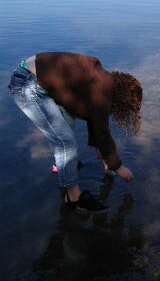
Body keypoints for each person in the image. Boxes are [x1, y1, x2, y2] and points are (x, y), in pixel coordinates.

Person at [8, 52, 142, 212]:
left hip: (33, 72)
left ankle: (62, 165)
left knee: (67, 123)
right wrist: (118, 167)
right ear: (122, 100)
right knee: (66, 142)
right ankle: (74, 198)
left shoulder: (101, 81)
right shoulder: (101, 97)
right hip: (27, 85)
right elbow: (103, 134)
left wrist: (105, 160)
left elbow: (96, 124)